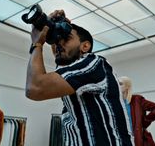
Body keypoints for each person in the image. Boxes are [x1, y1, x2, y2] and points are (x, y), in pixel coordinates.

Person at [25, 9, 134, 145]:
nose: (59, 43)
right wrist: (51, 27)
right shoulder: (71, 80)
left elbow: (34, 88)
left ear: (85, 46)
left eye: (67, 38)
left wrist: (37, 43)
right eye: (58, 39)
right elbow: (60, 67)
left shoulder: (94, 64)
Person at [118, 76, 155, 146]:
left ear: (127, 86)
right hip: (123, 139)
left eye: (120, 84)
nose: (118, 85)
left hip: (138, 138)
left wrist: (144, 122)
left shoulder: (137, 100)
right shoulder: (116, 103)